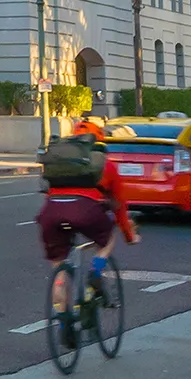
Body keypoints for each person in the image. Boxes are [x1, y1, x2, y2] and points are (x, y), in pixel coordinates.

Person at [35, 114, 138, 282]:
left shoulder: (61, 164)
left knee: (58, 271)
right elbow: (119, 205)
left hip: (52, 212)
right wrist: (129, 236)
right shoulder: (106, 164)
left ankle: (59, 307)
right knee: (107, 238)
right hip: (86, 212)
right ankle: (96, 271)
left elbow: (48, 191)